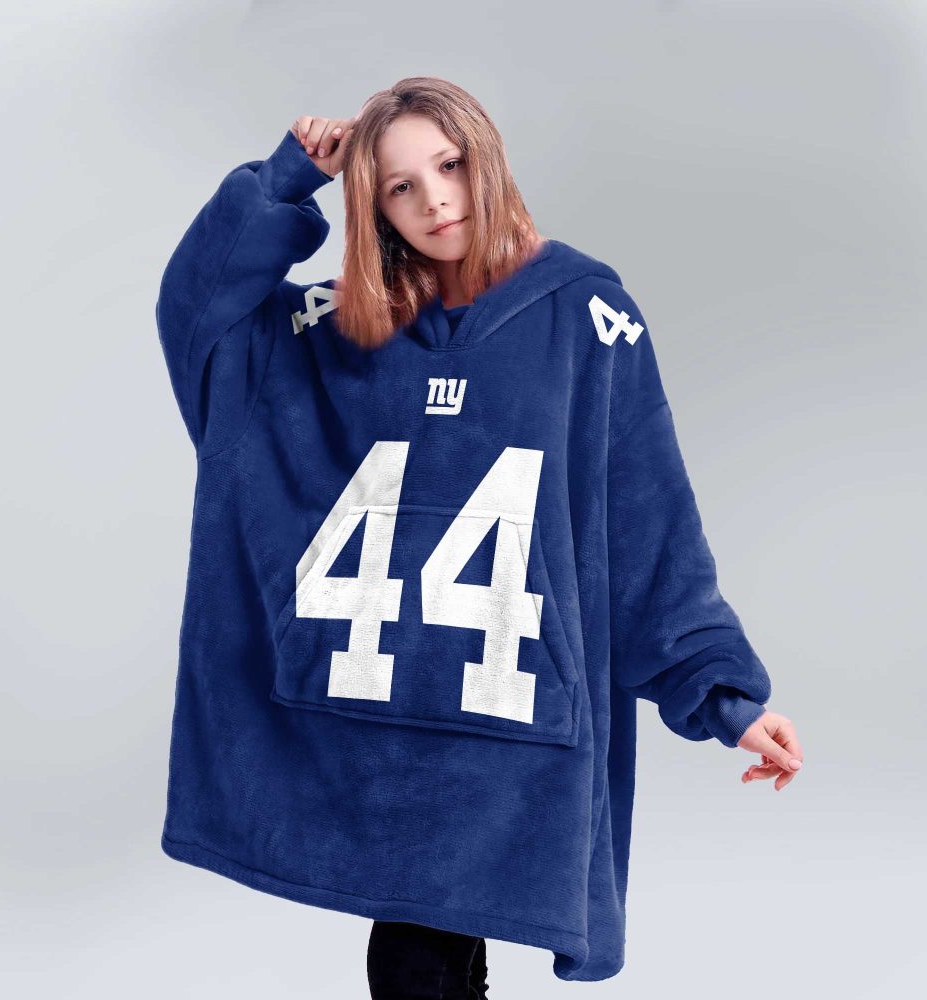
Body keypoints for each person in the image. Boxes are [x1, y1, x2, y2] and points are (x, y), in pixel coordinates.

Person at [155, 76, 803, 997]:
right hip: (380, 724)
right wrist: (283, 181)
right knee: (427, 960)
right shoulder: (340, 326)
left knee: (421, 962)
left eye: (448, 165)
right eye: (400, 186)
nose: (435, 200)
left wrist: (725, 697)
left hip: (508, 720)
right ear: (375, 207)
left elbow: (645, 521)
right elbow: (202, 323)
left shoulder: (587, 318)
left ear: (484, 157)